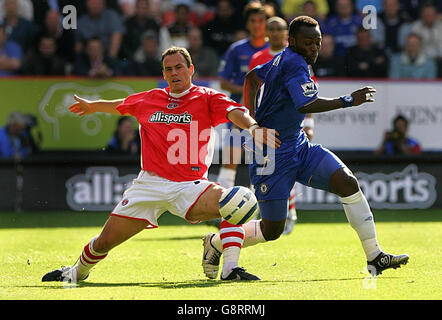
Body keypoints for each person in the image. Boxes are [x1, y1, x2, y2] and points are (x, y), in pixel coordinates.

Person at [42, 46, 280, 283]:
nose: (174, 73)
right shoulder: (150, 98)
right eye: (168, 69)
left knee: (237, 201)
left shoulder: (207, 97)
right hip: (149, 185)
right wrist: (93, 106)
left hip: (190, 186)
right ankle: (75, 273)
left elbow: (235, 112)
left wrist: (253, 128)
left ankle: (229, 267)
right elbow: (121, 104)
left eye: (179, 67)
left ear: (191, 70)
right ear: (164, 74)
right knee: (104, 241)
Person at [202, 16, 409, 281]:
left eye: (317, 42)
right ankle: (217, 243)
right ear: (293, 42)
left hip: (298, 146)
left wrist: (253, 118)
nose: (314, 48)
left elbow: (252, 78)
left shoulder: (284, 59)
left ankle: (375, 255)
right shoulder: (294, 63)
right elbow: (305, 104)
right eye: (308, 43)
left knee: (347, 182)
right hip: (271, 155)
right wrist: (348, 100)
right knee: (272, 229)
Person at [249, 16, 315, 235]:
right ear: (266, 33)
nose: (276, 33)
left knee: (287, 168)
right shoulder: (260, 57)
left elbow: (309, 93)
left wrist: (310, 123)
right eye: (272, 29)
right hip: (264, 127)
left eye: (280, 29)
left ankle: (289, 211)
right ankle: (261, 214)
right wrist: (252, 123)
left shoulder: (301, 58)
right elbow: (251, 82)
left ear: (288, 34)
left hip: (288, 128)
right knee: (264, 171)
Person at [216, 0, 269, 190]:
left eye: (261, 21)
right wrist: (248, 90)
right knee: (231, 158)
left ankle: (263, 210)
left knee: (263, 162)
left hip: (265, 114)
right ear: (248, 24)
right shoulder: (237, 49)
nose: (257, 25)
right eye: (253, 21)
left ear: (267, 23)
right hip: (240, 112)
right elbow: (223, 81)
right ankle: (222, 207)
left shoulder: (274, 50)